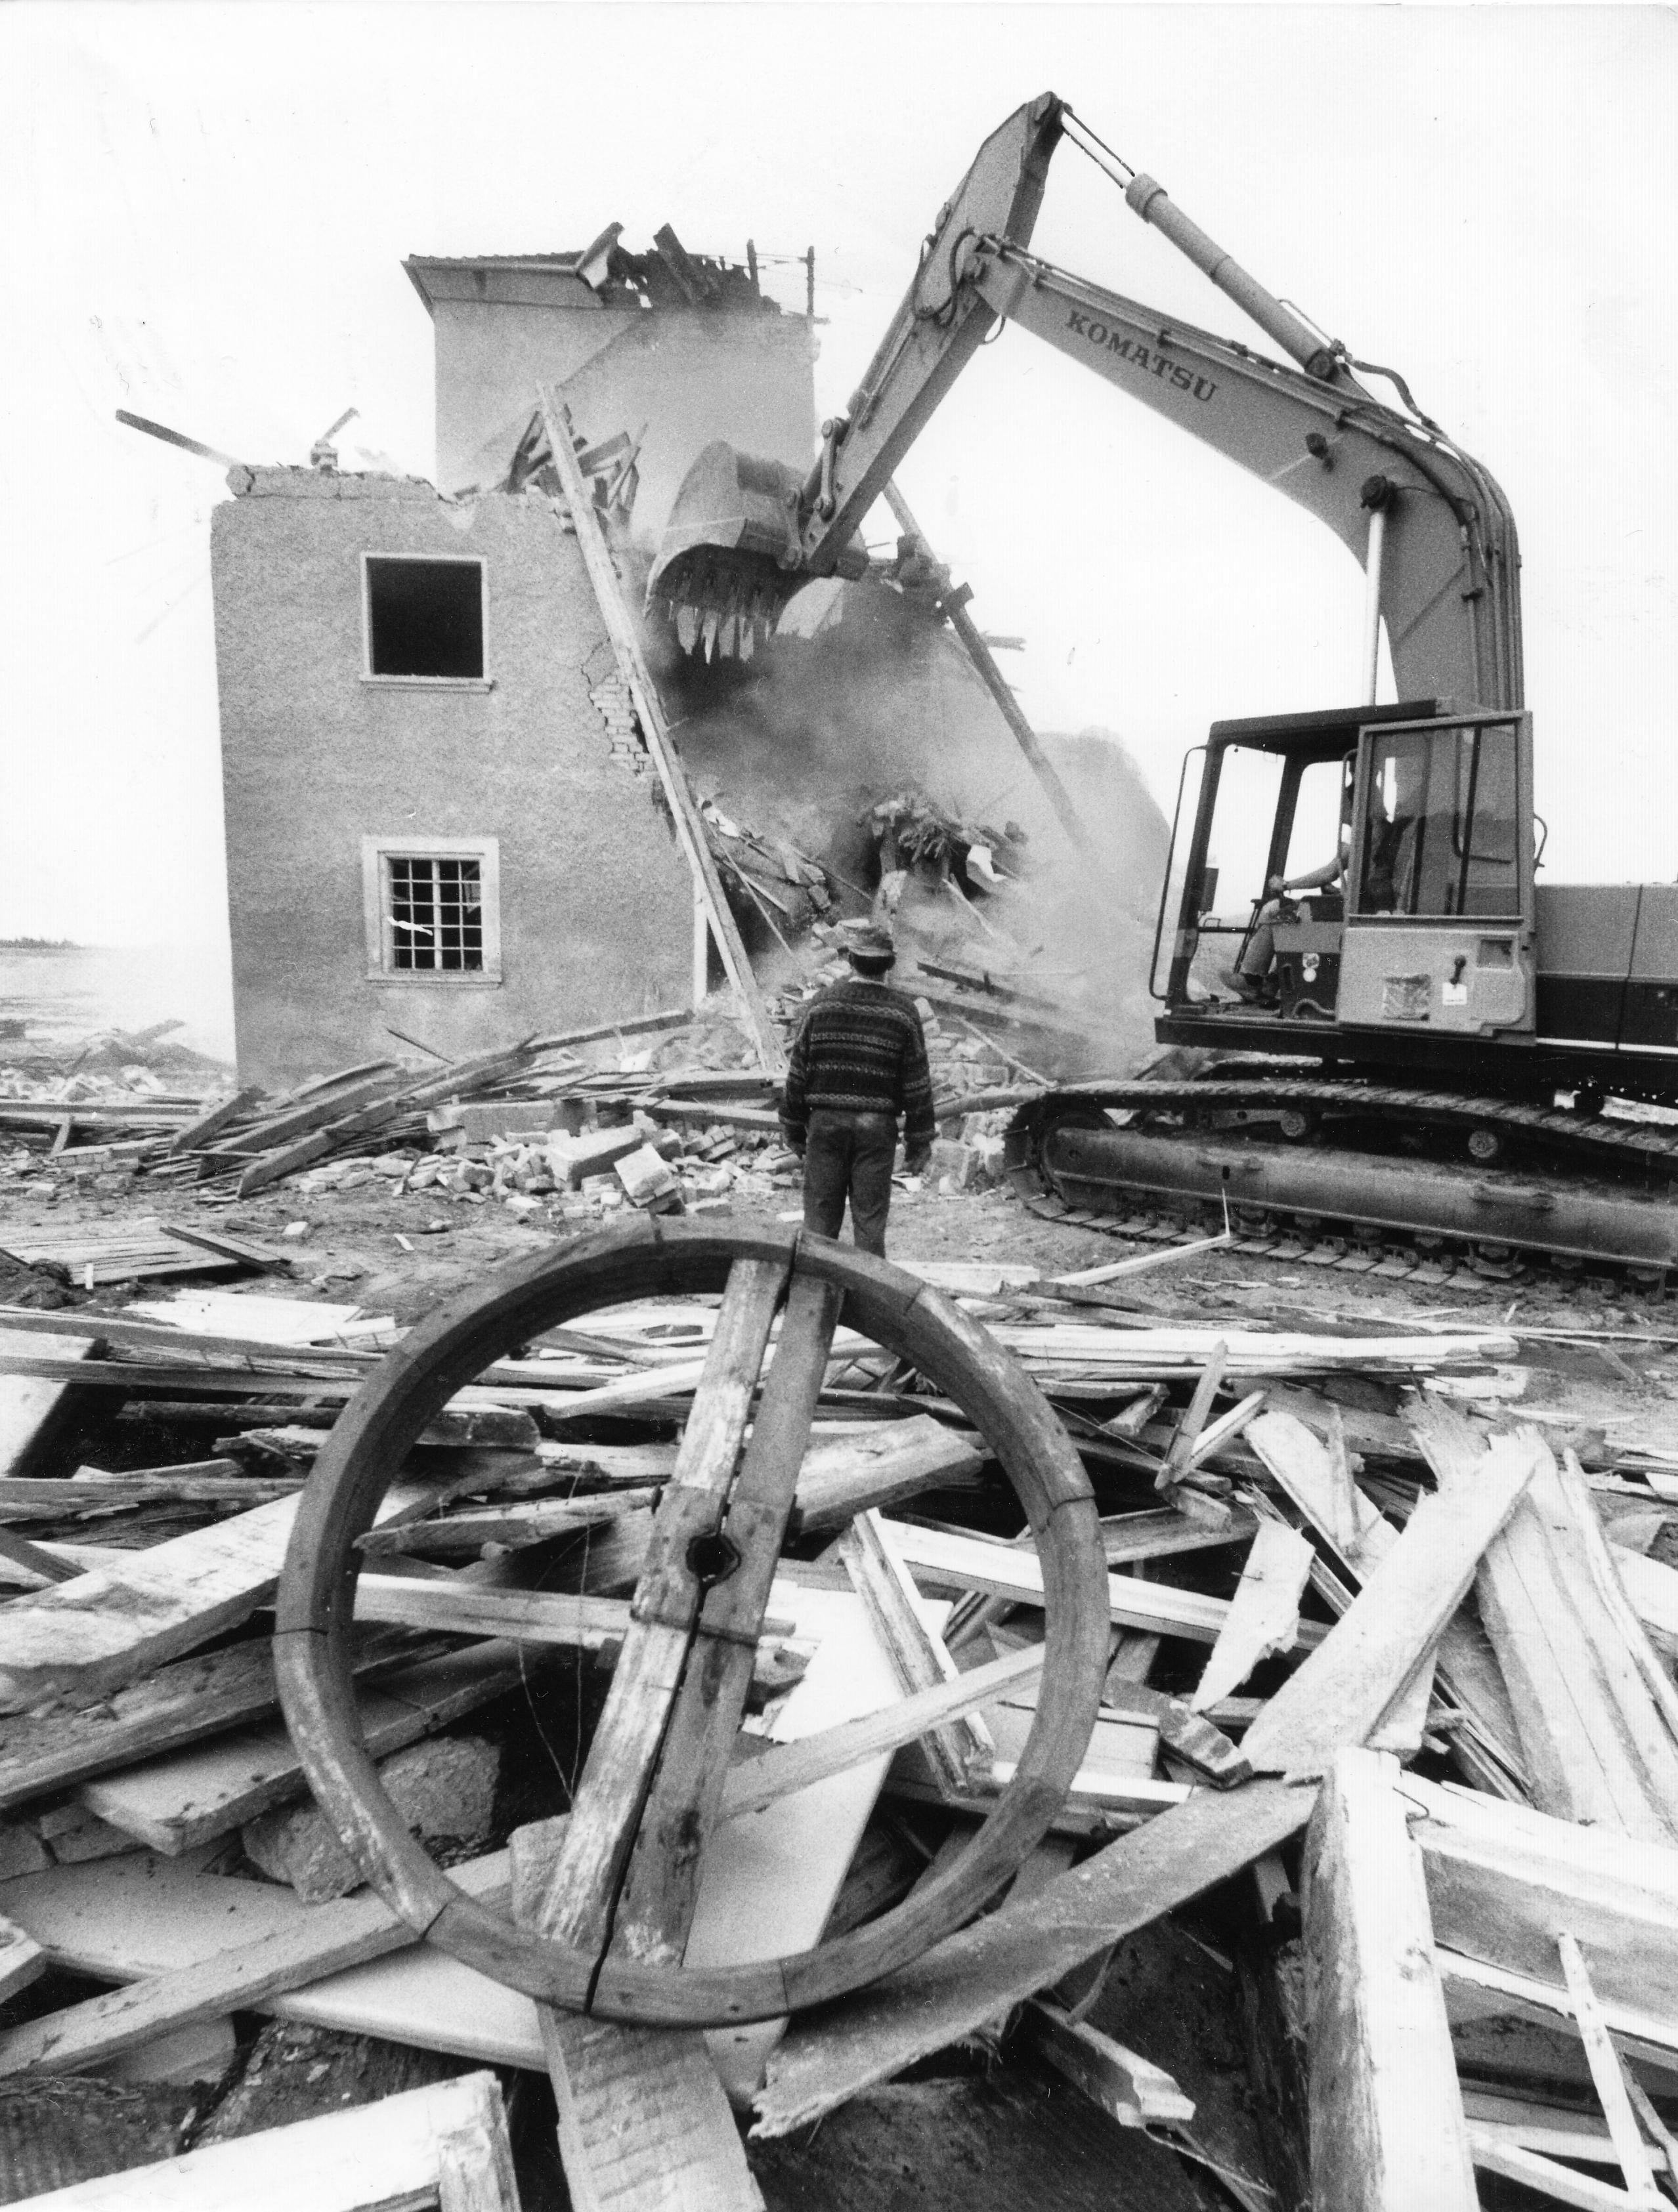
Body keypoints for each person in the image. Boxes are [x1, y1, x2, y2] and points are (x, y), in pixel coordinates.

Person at [781, 920, 936, 1256]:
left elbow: (797, 1073)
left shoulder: (820, 1004)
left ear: (850, 959)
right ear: (890, 964)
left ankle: (817, 1300)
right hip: (876, 1130)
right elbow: (918, 1083)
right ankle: (866, 1303)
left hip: (826, 1126)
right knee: (869, 1226)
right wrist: (919, 1141)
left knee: (819, 1229)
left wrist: (793, 1128)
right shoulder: (904, 1013)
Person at [1230, 835, 1348, 1003]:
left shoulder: (1361, 833)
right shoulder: (1377, 833)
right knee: (1292, 919)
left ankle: (1253, 979)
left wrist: (1286, 885)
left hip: (1348, 912)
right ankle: (1272, 981)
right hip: (1351, 907)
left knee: (1274, 910)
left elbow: (1328, 873)